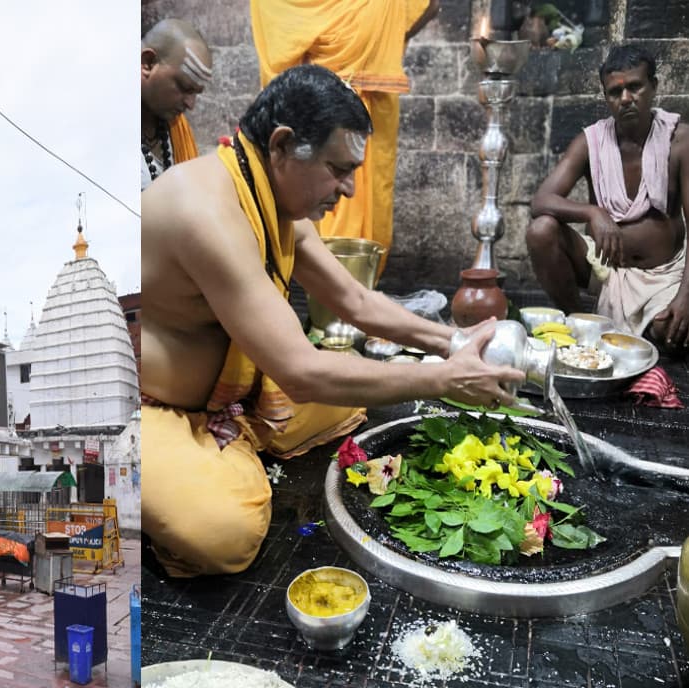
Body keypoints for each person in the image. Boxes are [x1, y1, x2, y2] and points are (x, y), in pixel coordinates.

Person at [141, 64, 524, 578]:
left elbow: (357, 303)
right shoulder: (204, 210)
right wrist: (443, 381)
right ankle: (199, 458)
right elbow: (299, 371)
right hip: (155, 406)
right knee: (223, 535)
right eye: (338, 168)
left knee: (352, 391)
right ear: (281, 145)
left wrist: (452, 341)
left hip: (238, 393)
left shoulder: (267, 191)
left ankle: (235, 435)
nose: (347, 190)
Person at [250, 0, 440, 277]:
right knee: (315, 205)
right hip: (315, 109)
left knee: (352, 205)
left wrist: (378, 36)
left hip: (365, 104)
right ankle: (332, 290)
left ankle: (344, 290)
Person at [526, 44, 689, 350]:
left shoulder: (680, 141)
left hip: (664, 277)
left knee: (675, 334)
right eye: (615, 92)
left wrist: (685, 297)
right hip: (607, 270)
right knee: (541, 230)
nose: (625, 99)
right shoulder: (591, 141)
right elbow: (541, 201)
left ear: (653, 87)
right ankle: (578, 322)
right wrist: (593, 213)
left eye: (634, 87)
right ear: (606, 97)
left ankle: (653, 324)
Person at [141, 18, 212, 189]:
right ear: (148, 63)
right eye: (184, 87)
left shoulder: (178, 128)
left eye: (195, 93)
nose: (191, 104)